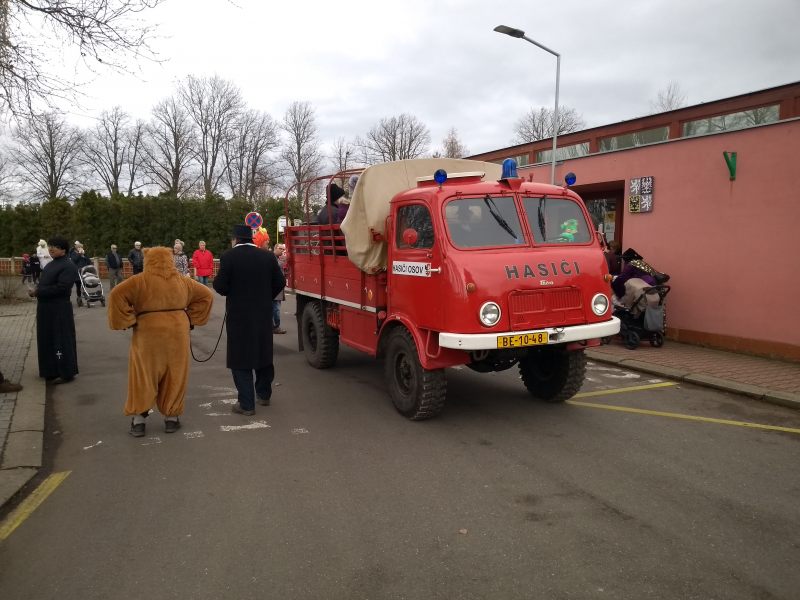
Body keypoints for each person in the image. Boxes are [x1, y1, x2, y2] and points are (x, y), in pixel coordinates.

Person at [108, 246, 213, 437]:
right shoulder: (182, 281)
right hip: (177, 332)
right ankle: (171, 418)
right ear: (170, 260)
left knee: (144, 374)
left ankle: (139, 420)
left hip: (148, 332)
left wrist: (127, 319)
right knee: (175, 374)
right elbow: (206, 295)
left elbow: (116, 294)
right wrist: (191, 318)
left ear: (148, 260)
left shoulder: (139, 281)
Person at [213, 225, 286, 416]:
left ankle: (246, 404)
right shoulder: (267, 256)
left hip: (239, 315)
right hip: (263, 314)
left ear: (235, 239)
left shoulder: (229, 256)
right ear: (251, 239)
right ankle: (264, 394)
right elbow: (280, 282)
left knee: (240, 357)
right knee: (263, 352)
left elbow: (220, 286)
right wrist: (266, 296)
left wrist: (233, 291)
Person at [28, 237, 79, 383]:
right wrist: (36, 289)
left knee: (60, 339)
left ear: (63, 250)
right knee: (46, 339)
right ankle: (49, 370)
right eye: (50, 246)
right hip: (45, 309)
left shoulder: (68, 266)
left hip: (59, 308)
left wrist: (39, 292)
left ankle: (65, 372)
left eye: (55, 246)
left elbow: (62, 288)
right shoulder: (50, 265)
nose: (51, 248)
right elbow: (45, 283)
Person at [272, 243, 288, 334]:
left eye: (283, 249)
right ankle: (276, 327)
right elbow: (277, 267)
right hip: (275, 287)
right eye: (280, 249)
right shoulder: (273, 258)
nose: (282, 251)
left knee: (275, 308)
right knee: (276, 308)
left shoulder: (277, 258)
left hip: (277, 288)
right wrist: (283, 260)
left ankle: (273, 326)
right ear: (275, 248)